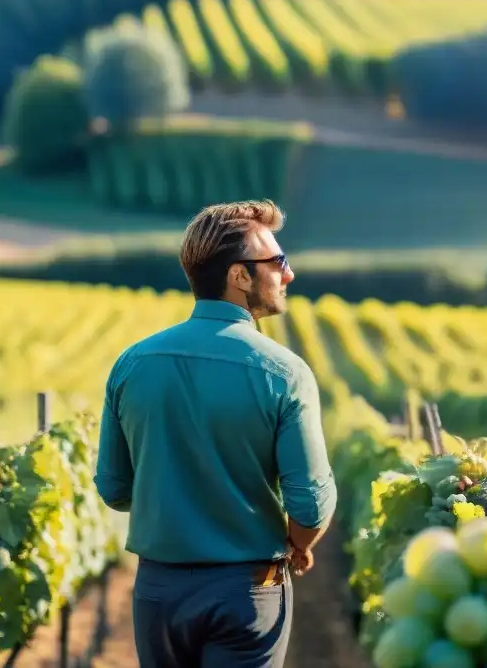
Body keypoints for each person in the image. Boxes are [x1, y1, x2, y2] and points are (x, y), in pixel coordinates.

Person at [93, 199, 337, 668]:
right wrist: (301, 546)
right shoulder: (285, 373)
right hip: (246, 592)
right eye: (278, 262)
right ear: (240, 276)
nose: (288, 274)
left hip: (157, 593)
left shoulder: (132, 364)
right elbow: (309, 505)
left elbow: (115, 489)